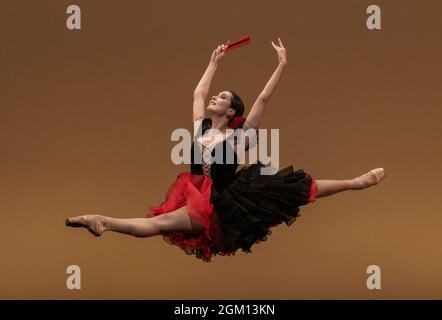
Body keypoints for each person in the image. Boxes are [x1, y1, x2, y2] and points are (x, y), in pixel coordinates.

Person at [66, 37, 386, 262]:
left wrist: (281, 65)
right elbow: (197, 92)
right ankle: (102, 221)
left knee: (298, 187)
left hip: (225, 200)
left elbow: (262, 100)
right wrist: (213, 62)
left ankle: (355, 183)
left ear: (231, 112)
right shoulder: (201, 128)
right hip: (196, 198)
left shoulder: (239, 137)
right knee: (155, 225)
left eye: (222, 98)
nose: (214, 98)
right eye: (216, 96)